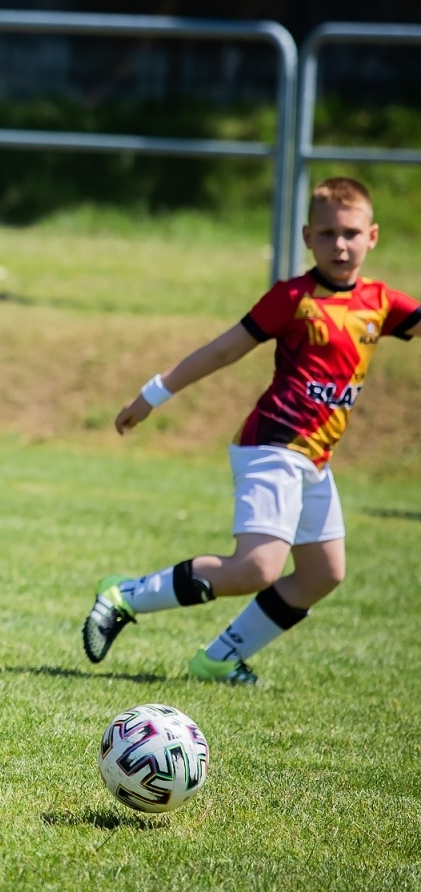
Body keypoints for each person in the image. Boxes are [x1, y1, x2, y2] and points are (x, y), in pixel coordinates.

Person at [82, 177, 419, 683]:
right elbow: (222, 350)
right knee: (257, 568)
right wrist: (152, 395)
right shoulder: (293, 298)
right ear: (307, 237)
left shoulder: (381, 301)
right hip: (273, 444)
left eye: (350, 233)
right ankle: (121, 596)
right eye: (326, 233)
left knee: (322, 574)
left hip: (314, 461)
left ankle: (219, 658)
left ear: (372, 236)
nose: (340, 244)